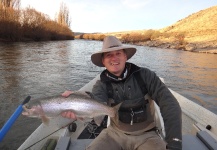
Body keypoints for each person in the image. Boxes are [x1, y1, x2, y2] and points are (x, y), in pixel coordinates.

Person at [61, 36, 182, 150]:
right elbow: (95, 101)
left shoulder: (146, 76)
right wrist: (76, 100)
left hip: (148, 136)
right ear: (103, 61)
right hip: (114, 134)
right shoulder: (101, 84)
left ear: (125, 56)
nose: (114, 58)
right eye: (109, 55)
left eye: (118, 53)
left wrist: (174, 142)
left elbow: (169, 104)